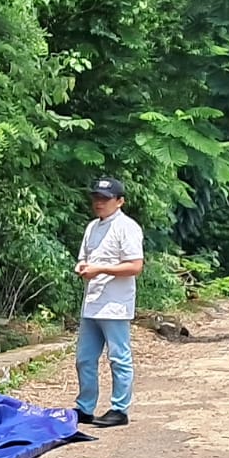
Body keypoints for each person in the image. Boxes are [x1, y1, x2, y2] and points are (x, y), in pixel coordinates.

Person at [73, 176, 144, 428]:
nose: (99, 202)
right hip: (92, 303)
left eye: (105, 198)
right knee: (84, 359)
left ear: (120, 201)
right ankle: (85, 407)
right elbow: (85, 258)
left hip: (115, 305)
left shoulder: (127, 227)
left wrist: (101, 269)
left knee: (118, 358)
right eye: (96, 197)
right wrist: (83, 267)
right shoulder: (92, 227)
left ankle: (119, 409)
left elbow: (135, 266)